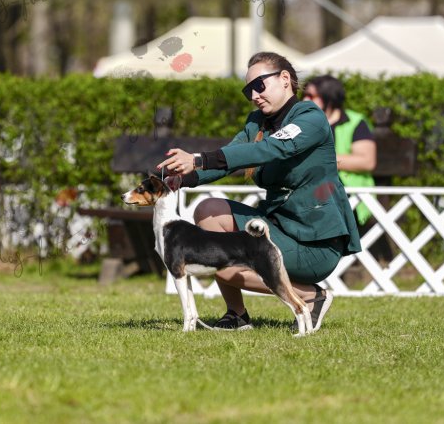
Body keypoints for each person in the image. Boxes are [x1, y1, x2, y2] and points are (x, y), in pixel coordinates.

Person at [157, 51, 362, 331]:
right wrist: (179, 179)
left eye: (259, 85)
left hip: (314, 243)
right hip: (275, 228)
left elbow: (272, 148)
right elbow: (230, 158)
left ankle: (311, 295)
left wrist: (198, 159)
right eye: (248, 91)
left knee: (221, 266)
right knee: (208, 211)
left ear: (285, 79)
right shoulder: (256, 122)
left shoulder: (311, 117)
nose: (254, 95)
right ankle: (237, 315)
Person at [302, 75, 378, 224]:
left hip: (350, 194)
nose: (304, 100)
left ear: (329, 98)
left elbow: (367, 161)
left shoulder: (354, 122)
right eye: (304, 95)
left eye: (311, 96)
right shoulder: (301, 123)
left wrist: (322, 159)